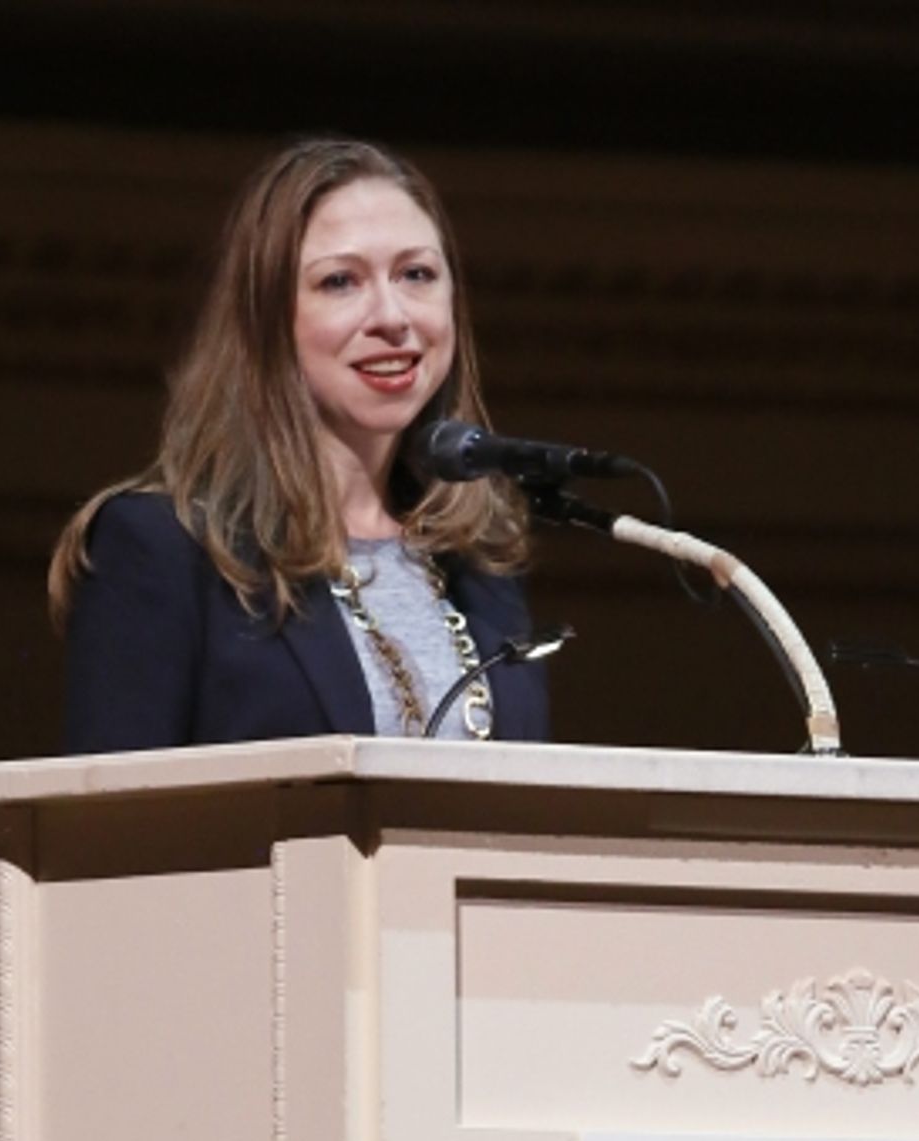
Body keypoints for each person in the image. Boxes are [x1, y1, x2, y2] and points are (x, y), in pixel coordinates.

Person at [50, 136, 549, 751]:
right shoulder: (164, 550)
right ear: (266, 321)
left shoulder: (479, 562)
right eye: (341, 281)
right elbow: (105, 822)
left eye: (416, 274)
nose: (392, 315)